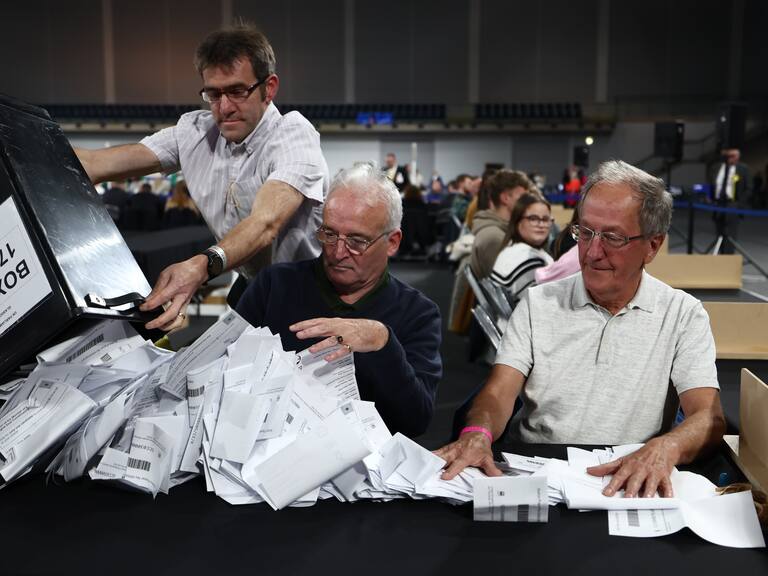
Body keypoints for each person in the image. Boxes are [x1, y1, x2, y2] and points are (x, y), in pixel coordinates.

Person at [437, 160, 726, 499]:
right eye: (585, 232)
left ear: (652, 245)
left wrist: (667, 448)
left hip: (629, 476)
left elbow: (708, 416)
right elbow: (499, 391)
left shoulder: (683, 314)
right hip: (538, 467)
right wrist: (477, 432)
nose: (592, 252)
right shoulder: (537, 303)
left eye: (613, 237)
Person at [75, 24, 328, 331]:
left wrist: (201, 266)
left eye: (237, 91)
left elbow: (266, 223)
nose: (224, 108)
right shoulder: (194, 131)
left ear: (269, 88)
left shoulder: (293, 135)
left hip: (310, 294)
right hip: (252, 286)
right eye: (213, 93)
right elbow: (95, 164)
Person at [236, 163, 442, 438]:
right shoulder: (273, 285)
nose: (338, 252)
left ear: (392, 242)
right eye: (330, 234)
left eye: (357, 241)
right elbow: (226, 376)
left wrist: (383, 342)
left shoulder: (419, 314)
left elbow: (415, 421)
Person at [489, 193, 554, 301]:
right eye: (533, 218)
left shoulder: (512, 249)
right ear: (518, 221)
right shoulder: (529, 260)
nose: (541, 224)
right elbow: (539, 307)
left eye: (546, 219)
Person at [469, 170, 532, 280]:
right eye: (522, 197)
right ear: (505, 198)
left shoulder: (502, 230)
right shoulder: (494, 238)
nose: (528, 203)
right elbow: (507, 285)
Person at [710, 148, 751, 254]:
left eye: (734, 156)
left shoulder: (743, 169)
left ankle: (728, 257)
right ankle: (720, 255)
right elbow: (711, 184)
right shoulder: (717, 167)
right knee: (719, 233)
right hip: (718, 204)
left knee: (730, 234)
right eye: (729, 155)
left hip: (733, 204)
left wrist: (739, 204)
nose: (732, 158)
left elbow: (749, 188)